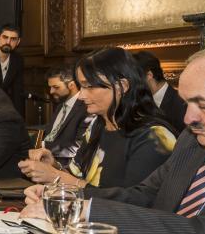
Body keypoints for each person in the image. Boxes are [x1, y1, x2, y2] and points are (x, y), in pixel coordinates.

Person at [22, 45, 205, 234]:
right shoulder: (192, 141)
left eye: (203, 105)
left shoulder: (164, 135)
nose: (188, 119)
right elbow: (144, 195)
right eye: (187, 104)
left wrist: (88, 212)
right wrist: (66, 198)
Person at [19, 48, 175, 189]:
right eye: (82, 87)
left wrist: (57, 178)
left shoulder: (155, 136)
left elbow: (132, 205)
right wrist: (54, 166)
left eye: (90, 86)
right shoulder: (99, 124)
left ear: (122, 86)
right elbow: (78, 176)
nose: (82, 96)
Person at [42, 64, 90, 161]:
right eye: (50, 87)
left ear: (71, 85)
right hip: (46, 159)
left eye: (56, 87)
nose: (51, 91)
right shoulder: (61, 103)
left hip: (65, 165)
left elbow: (79, 146)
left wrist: (43, 147)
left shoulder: (87, 108)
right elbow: (51, 134)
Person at [135, 50, 188, 135]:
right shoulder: (138, 104)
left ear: (149, 75)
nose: (132, 85)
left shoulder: (182, 103)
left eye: (134, 79)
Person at [0, 24, 25, 119]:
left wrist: (18, 119)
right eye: (5, 37)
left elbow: (18, 91)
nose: (8, 42)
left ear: (18, 42)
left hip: (6, 109)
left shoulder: (18, 60)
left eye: (13, 39)